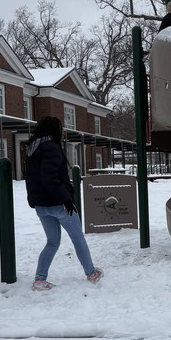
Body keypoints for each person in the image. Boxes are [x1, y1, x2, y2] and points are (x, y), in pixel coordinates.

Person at [25, 116, 103, 288]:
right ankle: (91, 273)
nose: (63, 132)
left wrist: (35, 201)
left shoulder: (32, 149)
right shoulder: (51, 148)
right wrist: (65, 199)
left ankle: (40, 279)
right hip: (58, 204)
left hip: (41, 206)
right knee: (78, 238)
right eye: (61, 129)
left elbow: (31, 179)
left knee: (52, 242)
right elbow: (49, 178)